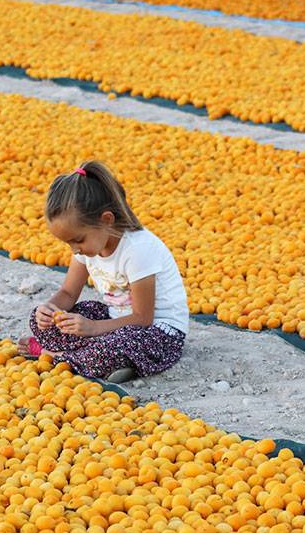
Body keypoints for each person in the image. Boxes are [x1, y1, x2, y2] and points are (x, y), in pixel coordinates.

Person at [17, 160, 188, 383]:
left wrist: (93, 328)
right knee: (40, 319)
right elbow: (68, 293)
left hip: (157, 333)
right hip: (114, 322)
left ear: (106, 220)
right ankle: (100, 361)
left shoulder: (138, 250)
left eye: (78, 240)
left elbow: (143, 318)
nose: (75, 249)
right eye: (69, 244)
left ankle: (54, 355)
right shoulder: (87, 246)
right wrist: (49, 310)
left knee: (115, 345)